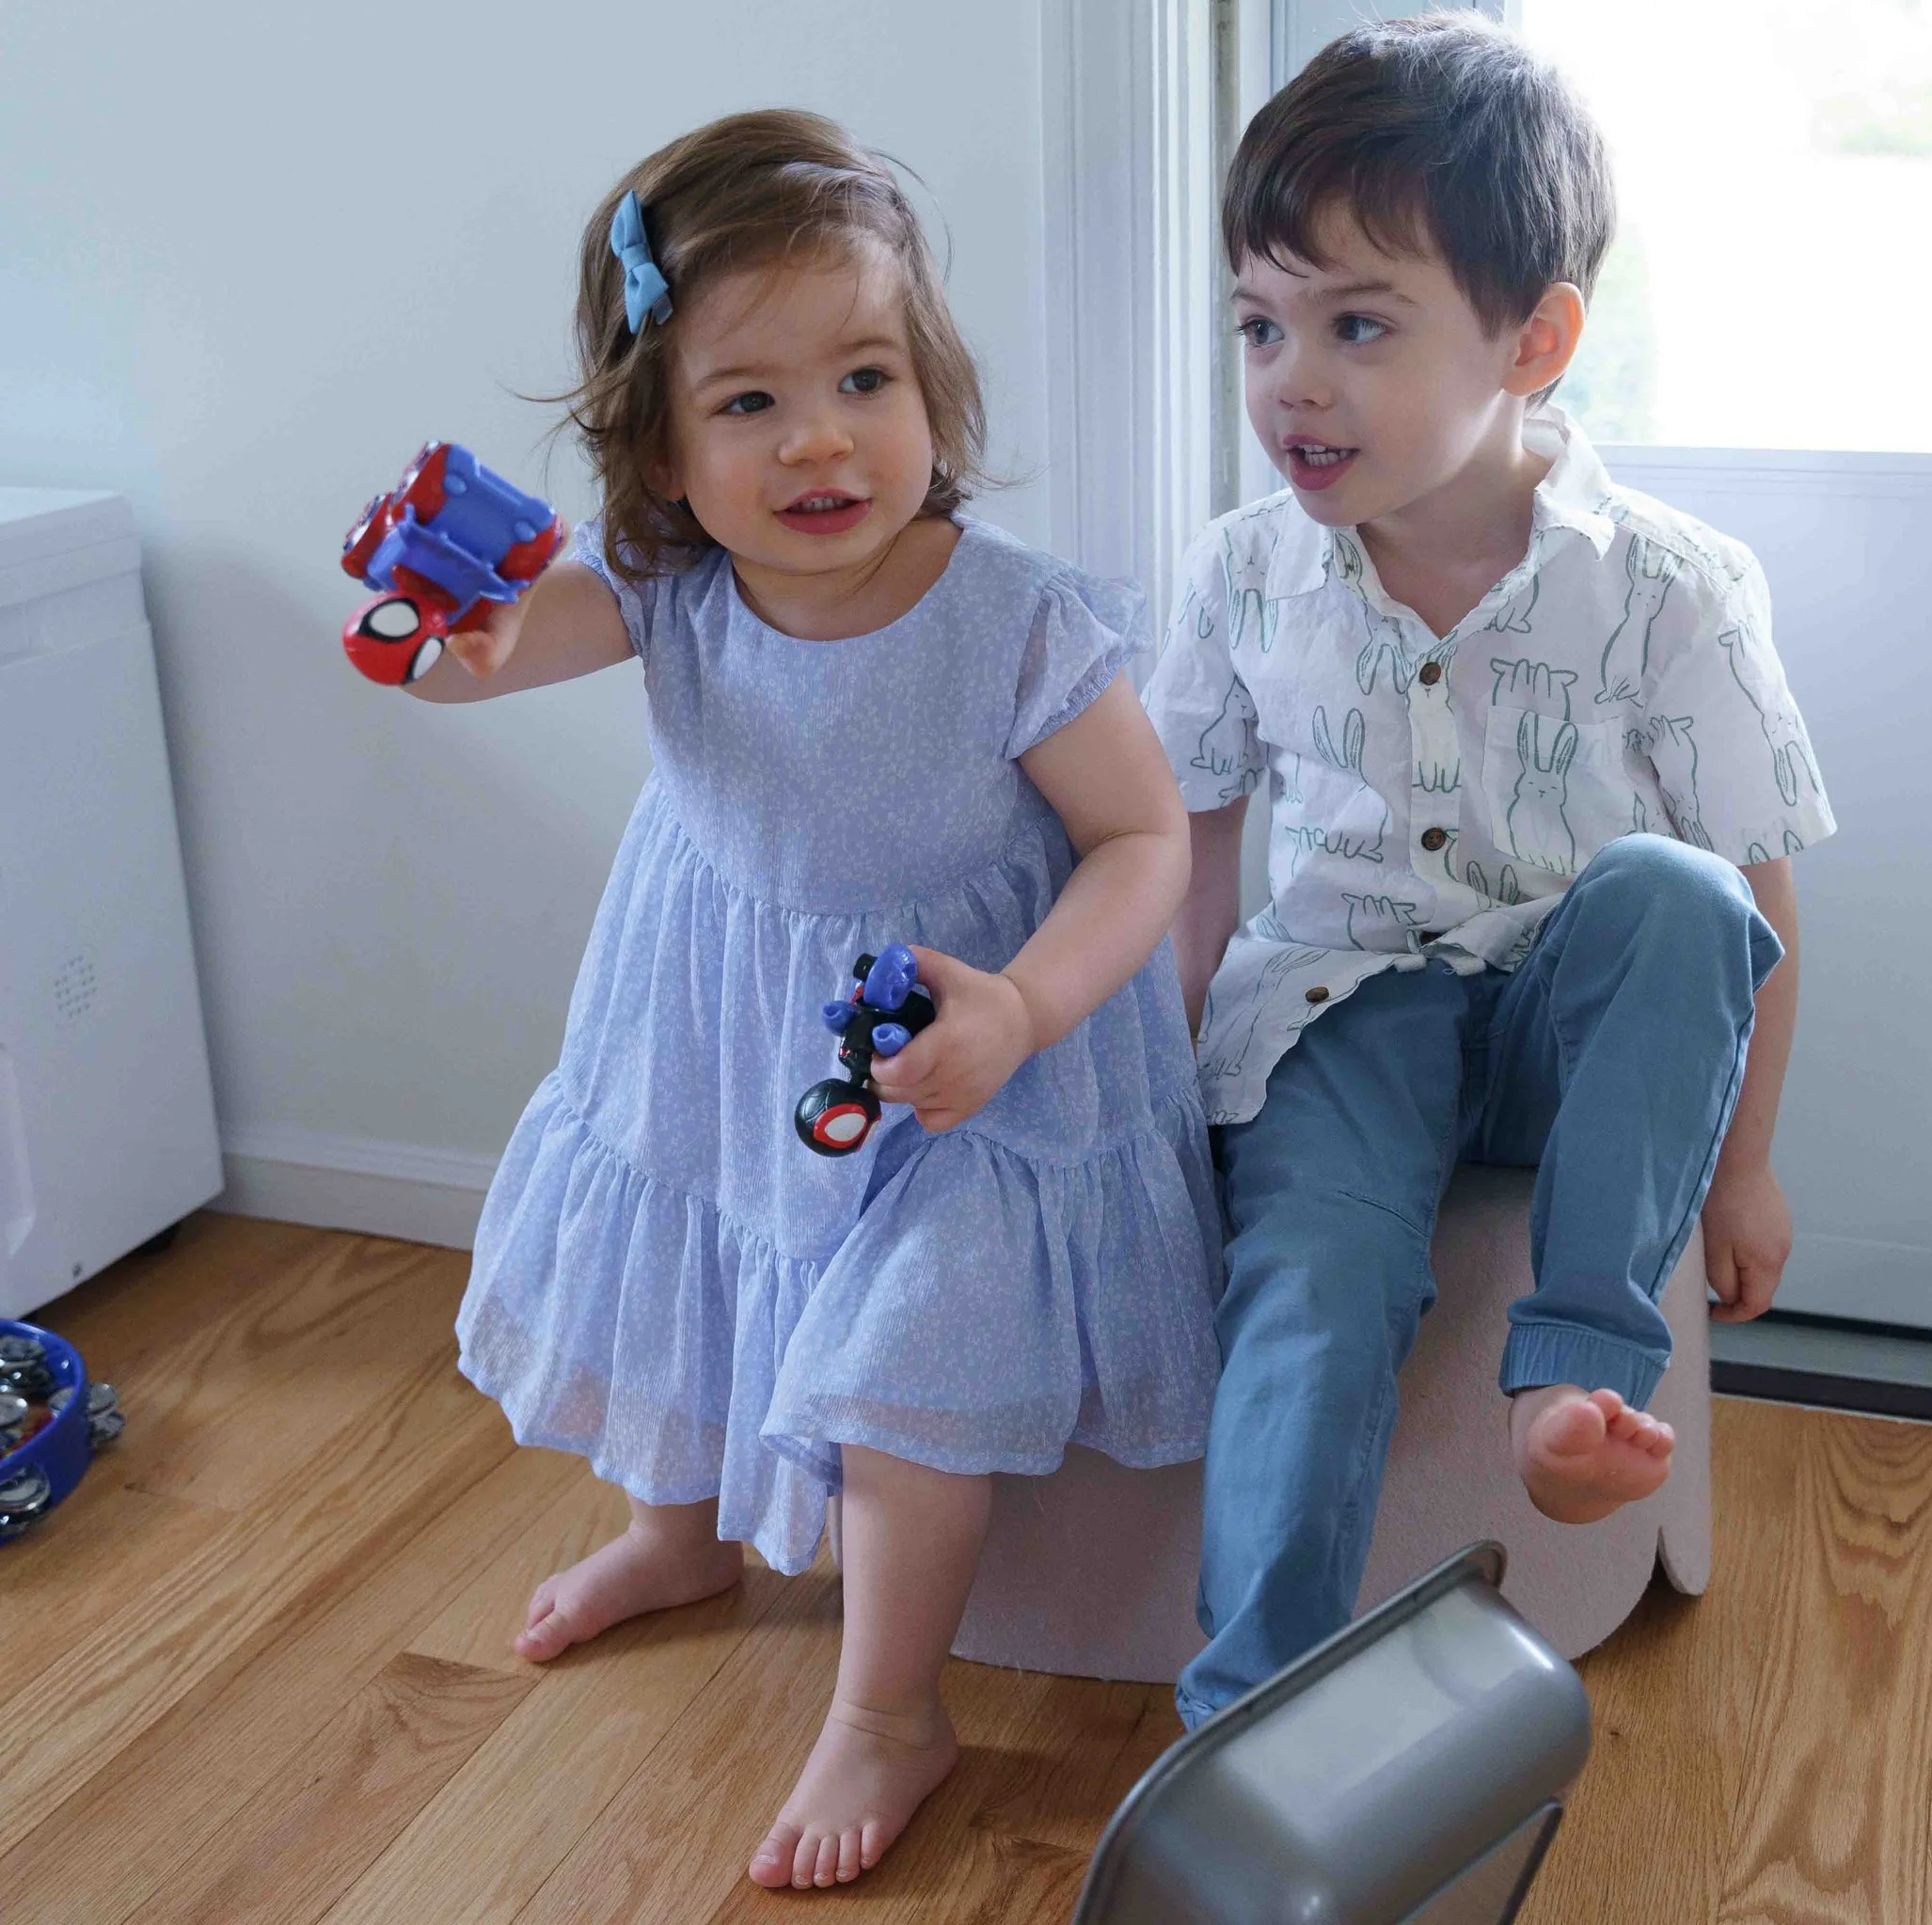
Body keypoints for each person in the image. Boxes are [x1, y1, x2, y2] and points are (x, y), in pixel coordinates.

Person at [405, 110, 1220, 1888]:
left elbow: (1145, 839)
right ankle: (678, 1531)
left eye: (864, 377)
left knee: (906, 1355)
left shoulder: (1014, 622)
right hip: (717, 1023)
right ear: (660, 447)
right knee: (694, 1254)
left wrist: (1022, 1008)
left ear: (932, 387)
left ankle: (889, 1704)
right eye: (749, 401)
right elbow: (491, 659)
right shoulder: (665, 584)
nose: (820, 437)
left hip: (970, 1054)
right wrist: (450, 634)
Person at [1143, 13, 1835, 1728]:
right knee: (1314, 1290)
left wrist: (1747, 1165)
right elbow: (1187, 860)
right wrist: (1148, 1117)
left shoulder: (1670, 584)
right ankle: (1250, 1713)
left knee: (1677, 890)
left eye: (1358, 325)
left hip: (1563, 1027)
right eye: (1260, 325)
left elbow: (1756, 904)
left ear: (1535, 341)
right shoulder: (1239, 574)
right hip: (1338, 1016)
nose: (1290, 381)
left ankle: (1572, 1388)